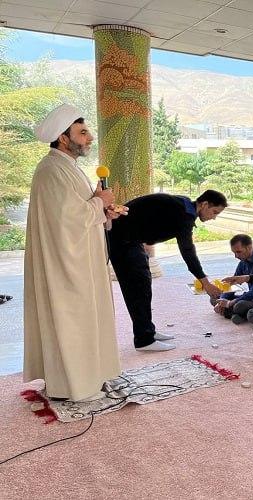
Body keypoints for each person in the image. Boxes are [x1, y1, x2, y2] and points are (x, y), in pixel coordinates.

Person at [24, 103, 121, 402]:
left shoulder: (67, 167)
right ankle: (75, 385)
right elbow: (68, 219)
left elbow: (81, 212)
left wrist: (105, 210)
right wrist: (100, 200)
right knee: (73, 319)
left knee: (84, 318)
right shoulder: (51, 170)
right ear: (63, 138)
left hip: (80, 259)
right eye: (82, 132)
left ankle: (88, 377)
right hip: (66, 265)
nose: (89, 137)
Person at [109, 190, 228, 351]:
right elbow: (188, 252)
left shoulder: (184, 206)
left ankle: (148, 330)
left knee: (144, 285)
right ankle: (144, 340)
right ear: (204, 204)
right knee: (136, 289)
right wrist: (205, 283)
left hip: (131, 240)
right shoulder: (184, 215)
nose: (214, 217)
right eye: (214, 212)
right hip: (121, 240)